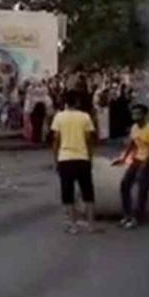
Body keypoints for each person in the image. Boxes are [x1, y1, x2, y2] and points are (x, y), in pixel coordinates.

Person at [51, 90, 98, 234]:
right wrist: (90, 157)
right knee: (88, 192)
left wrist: (55, 160)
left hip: (65, 158)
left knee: (67, 193)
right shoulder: (85, 117)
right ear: (77, 102)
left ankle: (73, 225)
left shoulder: (59, 117)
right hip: (82, 157)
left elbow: (56, 140)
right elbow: (89, 139)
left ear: (65, 102)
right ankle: (91, 225)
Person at [114, 104, 149, 229]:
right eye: (134, 114)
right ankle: (127, 214)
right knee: (125, 184)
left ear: (145, 115)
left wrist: (144, 166)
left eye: (138, 114)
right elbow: (132, 144)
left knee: (142, 186)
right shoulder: (134, 127)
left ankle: (138, 217)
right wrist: (123, 158)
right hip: (138, 158)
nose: (135, 116)